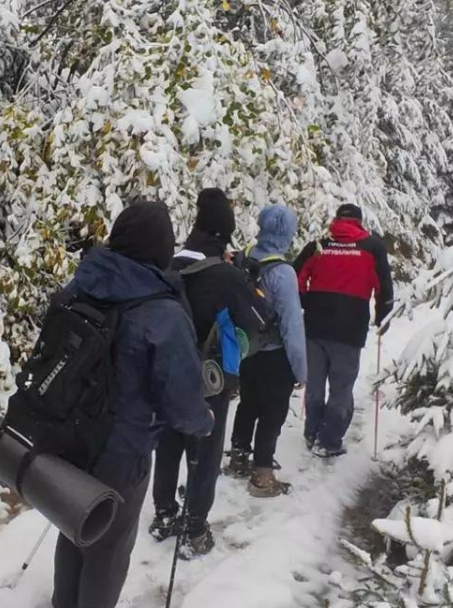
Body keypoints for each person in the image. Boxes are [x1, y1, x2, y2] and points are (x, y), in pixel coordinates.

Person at [52, 201, 215, 608]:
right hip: (121, 453)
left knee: (71, 524)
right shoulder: (162, 312)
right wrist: (204, 422)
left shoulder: (79, 286)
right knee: (107, 548)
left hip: (66, 435)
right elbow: (182, 401)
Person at [149, 188, 271, 557]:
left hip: (164, 373)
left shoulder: (166, 265)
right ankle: (195, 529)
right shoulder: (226, 275)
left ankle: (164, 515)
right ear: (225, 233)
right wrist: (247, 280)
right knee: (204, 452)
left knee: (168, 445)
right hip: (209, 378)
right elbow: (262, 321)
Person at [294, 203, 394, 458]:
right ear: (360, 222)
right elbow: (383, 285)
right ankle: (329, 440)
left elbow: (295, 275)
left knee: (315, 383)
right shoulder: (372, 247)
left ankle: (311, 432)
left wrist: (307, 301)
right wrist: (383, 316)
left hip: (315, 325)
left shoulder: (319, 244)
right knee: (341, 386)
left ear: (336, 220)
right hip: (350, 327)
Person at [227, 205, 307, 497]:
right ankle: (262, 476)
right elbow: (291, 325)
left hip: (246, 348)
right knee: (272, 413)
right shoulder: (283, 273)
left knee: (248, 403)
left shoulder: (245, 257)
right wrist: (300, 369)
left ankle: (237, 457)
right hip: (275, 354)